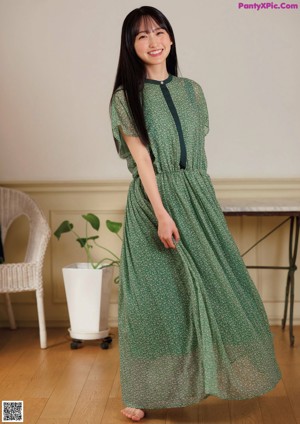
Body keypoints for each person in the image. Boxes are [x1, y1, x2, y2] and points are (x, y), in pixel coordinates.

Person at [109, 6, 281, 422]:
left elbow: (196, 151)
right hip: (154, 205)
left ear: (170, 36)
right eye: (141, 36)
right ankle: (138, 391)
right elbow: (145, 163)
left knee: (224, 288)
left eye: (160, 31)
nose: (154, 41)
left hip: (198, 197)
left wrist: (195, 200)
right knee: (152, 305)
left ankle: (204, 378)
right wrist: (163, 214)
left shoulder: (192, 91)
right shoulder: (124, 98)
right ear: (130, 47)